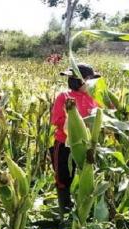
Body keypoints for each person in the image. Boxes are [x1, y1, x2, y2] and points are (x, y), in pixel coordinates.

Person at [50, 63, 100, 215]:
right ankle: (65, 211)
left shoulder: (94, 98)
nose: (92, 83)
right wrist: (76, 124)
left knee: (87, 177)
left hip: (89, 146)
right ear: (79, 80)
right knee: (64, 178)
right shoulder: (64, 97)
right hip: (65, 144)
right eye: (89, 80)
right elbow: (57, 120)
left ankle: (84, 210)